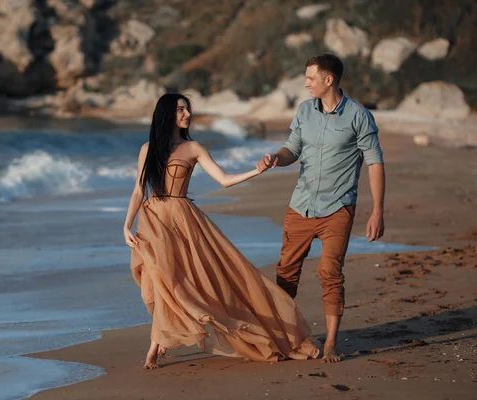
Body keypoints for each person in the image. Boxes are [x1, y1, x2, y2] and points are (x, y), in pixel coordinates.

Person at [123, 93, 319, 369]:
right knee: (157, 282)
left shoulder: (194, 149)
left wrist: (256, 171)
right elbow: (137, 190)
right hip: (153, 221)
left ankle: (154, 348)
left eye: (188, 110)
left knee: (182, 281)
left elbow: (224, 180)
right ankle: (164, 336)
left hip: (183, 222)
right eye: (180, 110)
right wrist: (126, 224)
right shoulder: (148, 149)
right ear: (166, 113)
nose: (187, 114)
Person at [258, 54, 385, 363]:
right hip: (301, 205)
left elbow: (375, 163)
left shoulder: (359, 116)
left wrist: (377, 211)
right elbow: (292, 149)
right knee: (286, 273)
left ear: (329, 80)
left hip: (338, 209)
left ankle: (330, 343)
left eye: (311, 78)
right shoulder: (304, 111)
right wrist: (277, 158)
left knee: (330, 272)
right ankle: (285, 336)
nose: (306, 83)